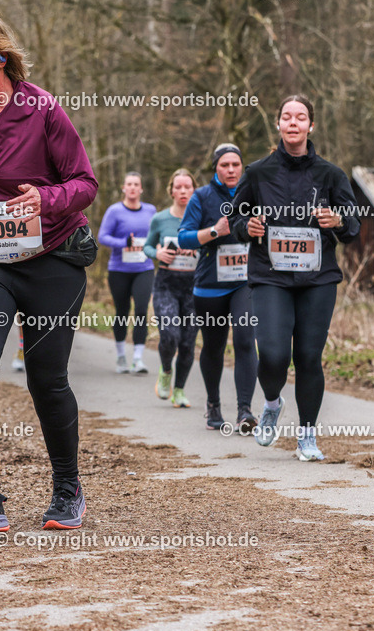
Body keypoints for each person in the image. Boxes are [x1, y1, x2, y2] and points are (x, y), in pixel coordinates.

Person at [0, 13, 98, 533]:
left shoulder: (42, 109)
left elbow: (85, 183)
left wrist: (45, 199)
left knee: (46, 379)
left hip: (51, 259)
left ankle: (67, 489)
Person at [230, 95, 361, 461]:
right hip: (270, 276)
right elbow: (235, 220)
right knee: (272, 355)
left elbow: (353, 227)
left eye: (300, 117)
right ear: (278, 124)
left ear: (310, 126)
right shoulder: (257, 173)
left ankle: (307, 436)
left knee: (308, 356)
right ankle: (272, 402)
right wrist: (248, 226)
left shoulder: (331, 175)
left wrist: (338, 221)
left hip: (317, 279)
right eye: (286, 116)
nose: (293, 122)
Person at [178, 144, 259, 433]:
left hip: (244, 283)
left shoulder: (253, 193)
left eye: (236, 164)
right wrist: (215, 231)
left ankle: (245, 411)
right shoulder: (201, 197)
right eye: (224, 165)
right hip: (210, 286)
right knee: (213, 347)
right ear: (216, 168)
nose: (231, 170)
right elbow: (184, 239)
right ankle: (213, 405)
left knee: (245, 341)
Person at [143, 169, 199, 408]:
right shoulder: (160, 219)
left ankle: (179, 391)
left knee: (188, 342)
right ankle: (166, 370)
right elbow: (146, 246)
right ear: (171, 191)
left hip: (194, 287)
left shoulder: (202, 218)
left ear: (194, 190)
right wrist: (157, 253)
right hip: (166, 283)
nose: (183, 191)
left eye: (188, 186)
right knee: (170, 334)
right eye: (179, 187)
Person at [98, 172, 156, 374]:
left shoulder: (150, 210)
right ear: (124, 188)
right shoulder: (114, 211)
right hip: (119, 270)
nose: (132, 187)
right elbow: (103, 237)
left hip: (144, 268)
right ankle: (121, 356)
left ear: (141, 189)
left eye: (136, 184)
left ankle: (138, 359)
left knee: (141, 310)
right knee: (122, 311)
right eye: (129, 184)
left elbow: (155, 235)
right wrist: (123, 243)